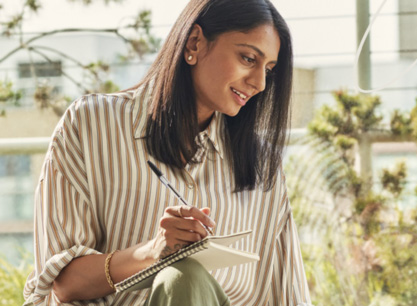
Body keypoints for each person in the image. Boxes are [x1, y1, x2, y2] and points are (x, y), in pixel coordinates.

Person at [23, 0, 311, 305]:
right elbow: (63, 285)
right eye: (248, 58)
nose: (260, 83)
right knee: (183, 278)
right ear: (195, 42)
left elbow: (287, 295)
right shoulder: (91, 124)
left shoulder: (263, 167)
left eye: (269, 69)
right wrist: (151, 253)